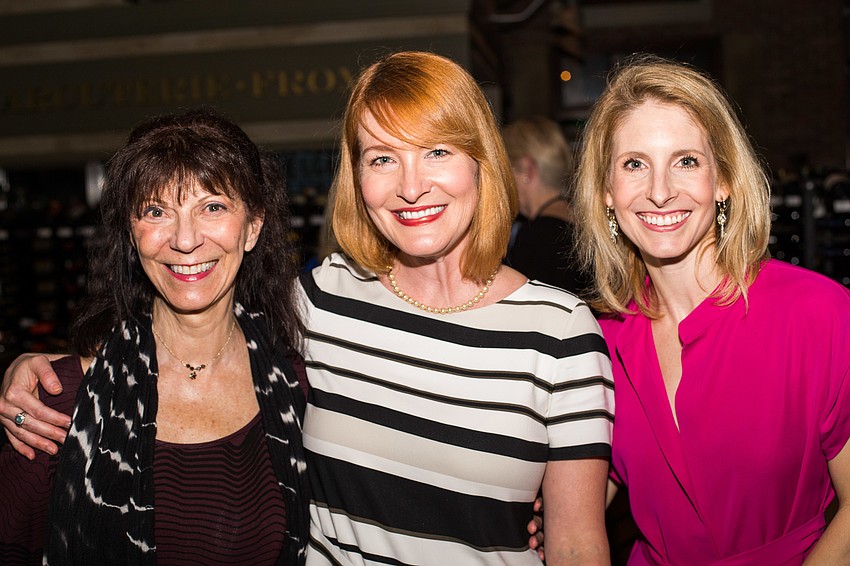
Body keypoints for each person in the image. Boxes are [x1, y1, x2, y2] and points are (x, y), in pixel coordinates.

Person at [2, 51, 614, 565]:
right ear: (357, 179)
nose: (410, 185)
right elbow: (196, 321)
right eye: (381, 158)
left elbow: (578, 541)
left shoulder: (557, 332)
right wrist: (48, 370)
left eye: (437, 152)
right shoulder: (322, 302)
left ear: (482, 162)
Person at [572, 54, 850, 564]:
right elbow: (574, 507)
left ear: (722, 181)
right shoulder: (595, 341)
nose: (659, 192)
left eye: (686, 161)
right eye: (635, 164)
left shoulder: (818, 314)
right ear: (607, 192)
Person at [0, 108, 310, 565]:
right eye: (156, 211)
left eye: (213, 207)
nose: (185, 240)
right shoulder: (56, 405)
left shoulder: (301, 385)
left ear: (253, 226)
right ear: (131, 232)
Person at [503, 117, 590, 295]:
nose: (501, 182)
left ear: (527, 169)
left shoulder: (536, 238)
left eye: (504, 169)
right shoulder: (585, 223)